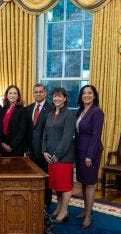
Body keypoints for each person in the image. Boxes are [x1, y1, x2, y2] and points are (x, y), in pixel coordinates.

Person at [42, 87, 76, 223]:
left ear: (65, 98)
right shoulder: (50, 114)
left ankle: (64, 211)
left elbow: (67, 137)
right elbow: (45, 134)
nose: (56, 99)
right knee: (57, 185)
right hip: (50, 156)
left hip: (63, 157)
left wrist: (57, 154)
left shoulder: (69, 114)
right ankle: (58, 208)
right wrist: (44, 151)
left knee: (65, 185)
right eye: (54, 97)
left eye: (59, 96)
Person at [75, 85, 104, 229]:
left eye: (89, 93)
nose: (86, 95)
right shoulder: (80, 111)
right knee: (83, 181)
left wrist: (90, 156)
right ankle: (86, 209)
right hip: (79, 150)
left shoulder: (97, 112)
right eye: (84, 93)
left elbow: (96, 135)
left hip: (91, 152)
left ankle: (88, 216)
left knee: (91, 183)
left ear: (94, 96)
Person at [26, 83, 54, 208]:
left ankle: (46, 203)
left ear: (45, 93)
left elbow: (51, 131)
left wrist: (46, 150)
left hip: (45, 151)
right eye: (36, 92)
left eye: (40, 92)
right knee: (33, 178)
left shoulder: (52, 108)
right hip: (31, 150)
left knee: (45, 179)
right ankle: (34, 202)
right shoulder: (29, 108)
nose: (38, 94)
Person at [0, 85, 27, 157]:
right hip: (3, 146)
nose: (12, 95)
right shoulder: (3, 109)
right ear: (7, 95)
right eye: (10, 93)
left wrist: (11, 146)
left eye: (15, 93)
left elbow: (22, 131)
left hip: (16, 147)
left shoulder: (23, 110)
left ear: (18, 96)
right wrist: (2, 143)